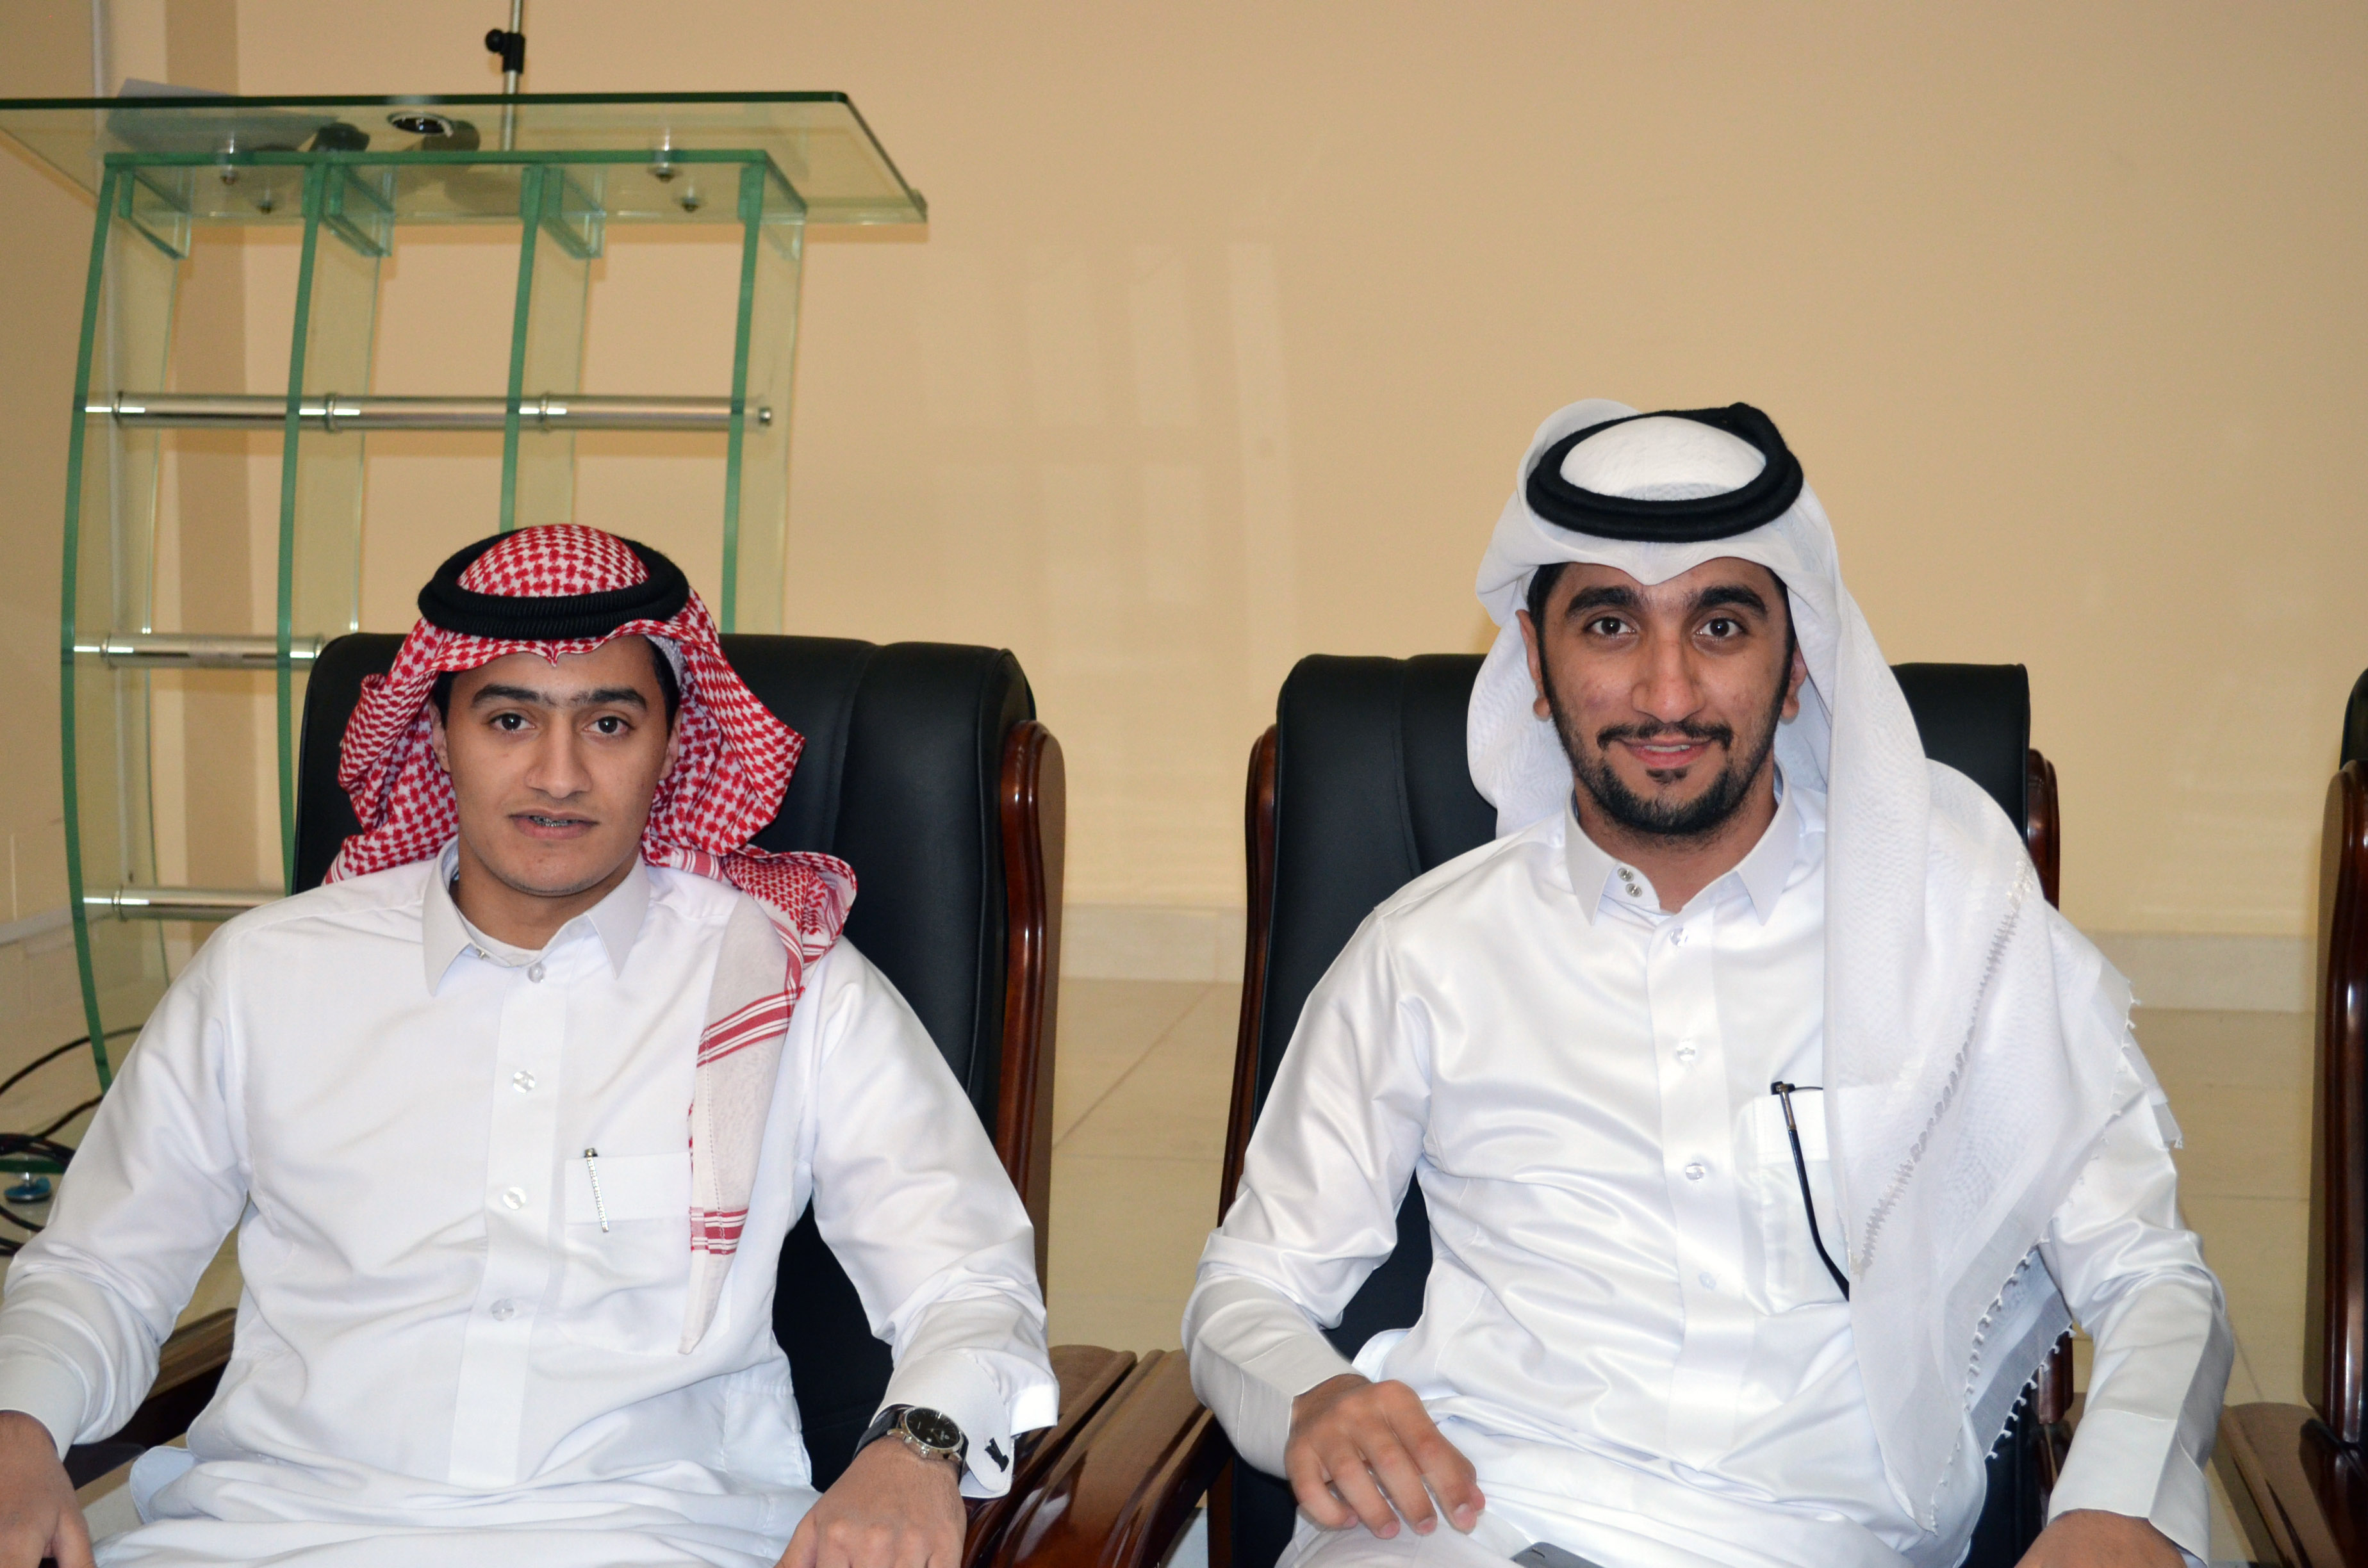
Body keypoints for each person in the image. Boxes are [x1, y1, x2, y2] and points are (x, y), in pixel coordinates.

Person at [1183, 403, 2230, 1568]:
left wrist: (2119, 1503)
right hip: (1466, 1523)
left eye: (1721, 626)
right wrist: (1314, 1396)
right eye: (1610, 624)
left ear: (1797, 664)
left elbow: (2153, 1277)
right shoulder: (1424, 951)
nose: (1668, 693)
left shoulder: (1953, 928)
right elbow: (1247, 1287)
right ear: (1537, 663)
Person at [0, 525, 1055, 1568]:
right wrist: (17, 1429)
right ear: (437, 732)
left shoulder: (786, 981)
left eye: (609, 724)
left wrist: (916, 1449)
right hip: (273, 1534)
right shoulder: (266, 976)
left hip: (656, 1539)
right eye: (510, 719)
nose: (558, 775)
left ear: (674, 744)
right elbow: (100, 1270)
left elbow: (968, 1280)